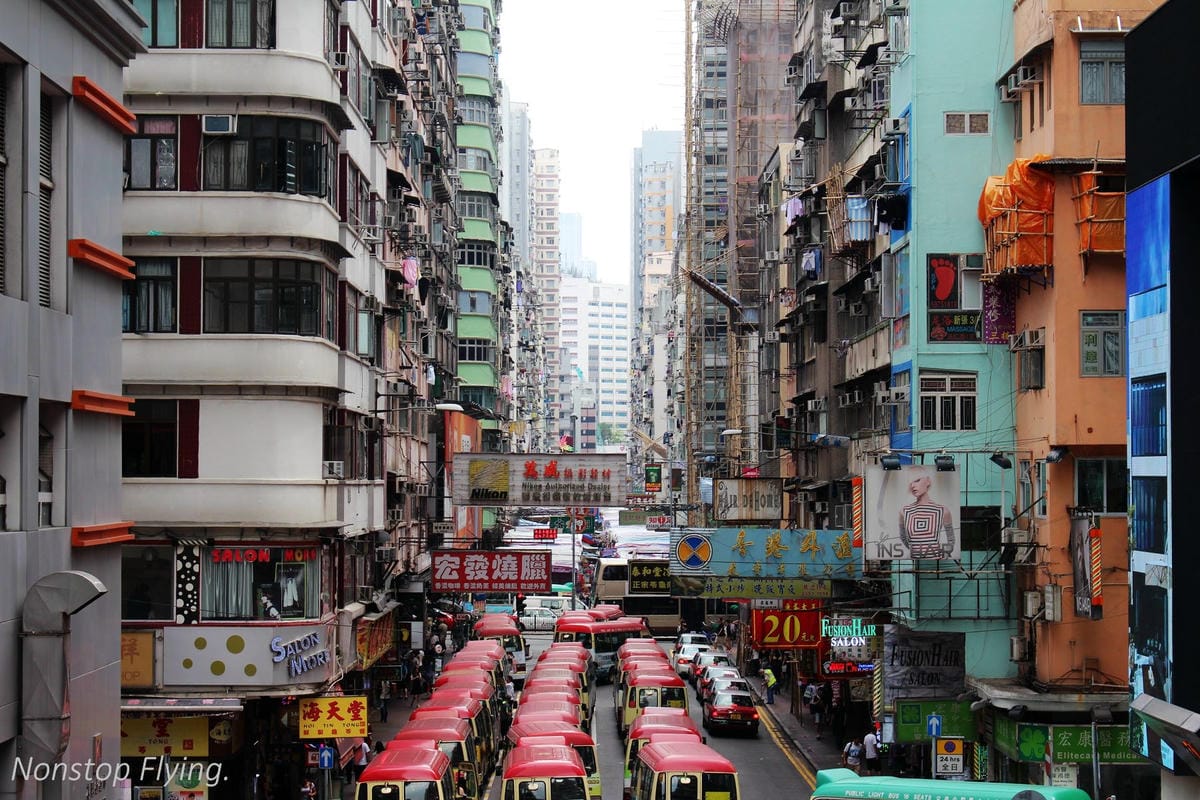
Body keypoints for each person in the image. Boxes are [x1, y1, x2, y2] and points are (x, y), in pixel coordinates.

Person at [897, 466, 955, 558]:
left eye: (917, 480)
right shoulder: (904, 511)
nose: (912, 486)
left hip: (937, 561)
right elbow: (903, 536)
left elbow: (951, 539)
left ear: (928, 481)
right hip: (916, 560)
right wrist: (916, 551)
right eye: (910, 482)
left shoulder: (943, 510)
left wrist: (944, 554)